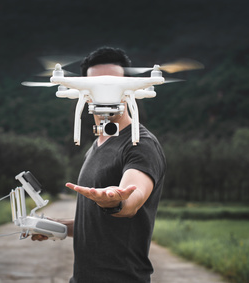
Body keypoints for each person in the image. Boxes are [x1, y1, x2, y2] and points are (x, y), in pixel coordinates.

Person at [32, 46, 166, 283]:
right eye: (97, 84)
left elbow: (131, 201)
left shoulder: (139, 144)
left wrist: (117, 201)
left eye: (114, 83)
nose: (107, 91)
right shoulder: (97, 145)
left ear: (130, 89)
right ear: (84, 90)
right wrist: (57, 226)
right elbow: (96, 224)